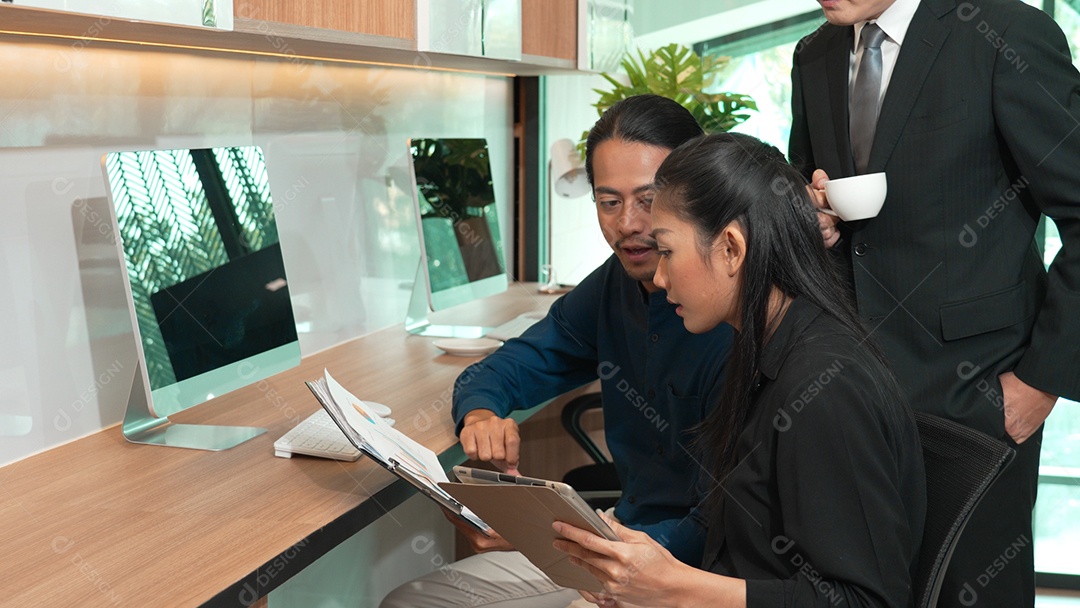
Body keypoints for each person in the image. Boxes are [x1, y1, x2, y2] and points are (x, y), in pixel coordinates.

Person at [379, 95, 734, 608]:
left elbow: (728, 520)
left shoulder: (734, 317)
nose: (629, 223)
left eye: (649, 199)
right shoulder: (613, 287)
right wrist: (481, 415)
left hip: (689, 571)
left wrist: (594, 547)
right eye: (609, 202)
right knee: (411, 602)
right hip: (618, 538)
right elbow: (507, 367)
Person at [554, 132, 926, 608]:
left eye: (667, 251)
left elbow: (866, 602)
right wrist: (644, 568)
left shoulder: (825, 387)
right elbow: (734, 530)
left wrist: (673, 588)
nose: (661, 277)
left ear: (731, 247)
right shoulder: (767, 349)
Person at [789, 0, 1080, 603]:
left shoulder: (1006, 34)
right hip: (848, 394)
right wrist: (811, 215)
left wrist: (1039, 384)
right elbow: (805, 194)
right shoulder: (814, 53)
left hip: (976, 395)